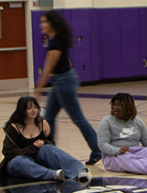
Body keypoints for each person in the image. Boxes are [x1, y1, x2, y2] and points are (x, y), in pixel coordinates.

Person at [33, 10, 102, 166]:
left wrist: (36, 93)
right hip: (62, 81)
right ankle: (49, 152)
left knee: (78, 119)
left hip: (64, 83)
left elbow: (46, 71)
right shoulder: (57, 41)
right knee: (48, 119)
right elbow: (67, 65)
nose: (41, 24)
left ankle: (97, 150)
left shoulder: (56, 43)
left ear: (52, 23)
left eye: (44, 21)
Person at [0, 96, 89, 182]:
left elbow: (52, 145)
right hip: (17, 162)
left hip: (38, 159)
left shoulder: (43, 124)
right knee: (19, 161)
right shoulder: (13, 128)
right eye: (29, 108)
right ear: (22, 110)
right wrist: (33, 147)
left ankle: (79, 170)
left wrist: (43, 143)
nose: (33, 110)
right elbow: (9, 152)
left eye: (35, 107)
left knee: (47, 148)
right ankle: (52, 174)